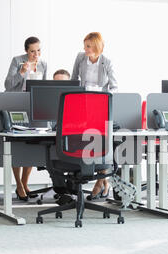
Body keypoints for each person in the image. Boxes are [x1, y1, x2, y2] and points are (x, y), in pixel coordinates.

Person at [71, 32, 118, 201]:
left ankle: (100, 182)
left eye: (88, 46)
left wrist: (101, 96)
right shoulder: (80, 58)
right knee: (87, 144)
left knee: (101, 144)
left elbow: (114, 87)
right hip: (82, 106)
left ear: (97, 47)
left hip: (100, 108)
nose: (85, 49)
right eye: (84, 46)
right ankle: (103, 181)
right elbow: (74, 80)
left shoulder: (107, 62)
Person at [4, 36, 47, 201]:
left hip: (33, 106)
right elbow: (8, 85)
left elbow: (43, 86)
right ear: (26, 51)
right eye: (32, 51)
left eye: (38, 50)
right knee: (17, 145)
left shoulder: (43, 64)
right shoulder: (17, 61)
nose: (36, 54)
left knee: (30, 145)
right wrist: (22, 73)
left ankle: (25, 182)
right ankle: (19, 185)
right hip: (16, 104)